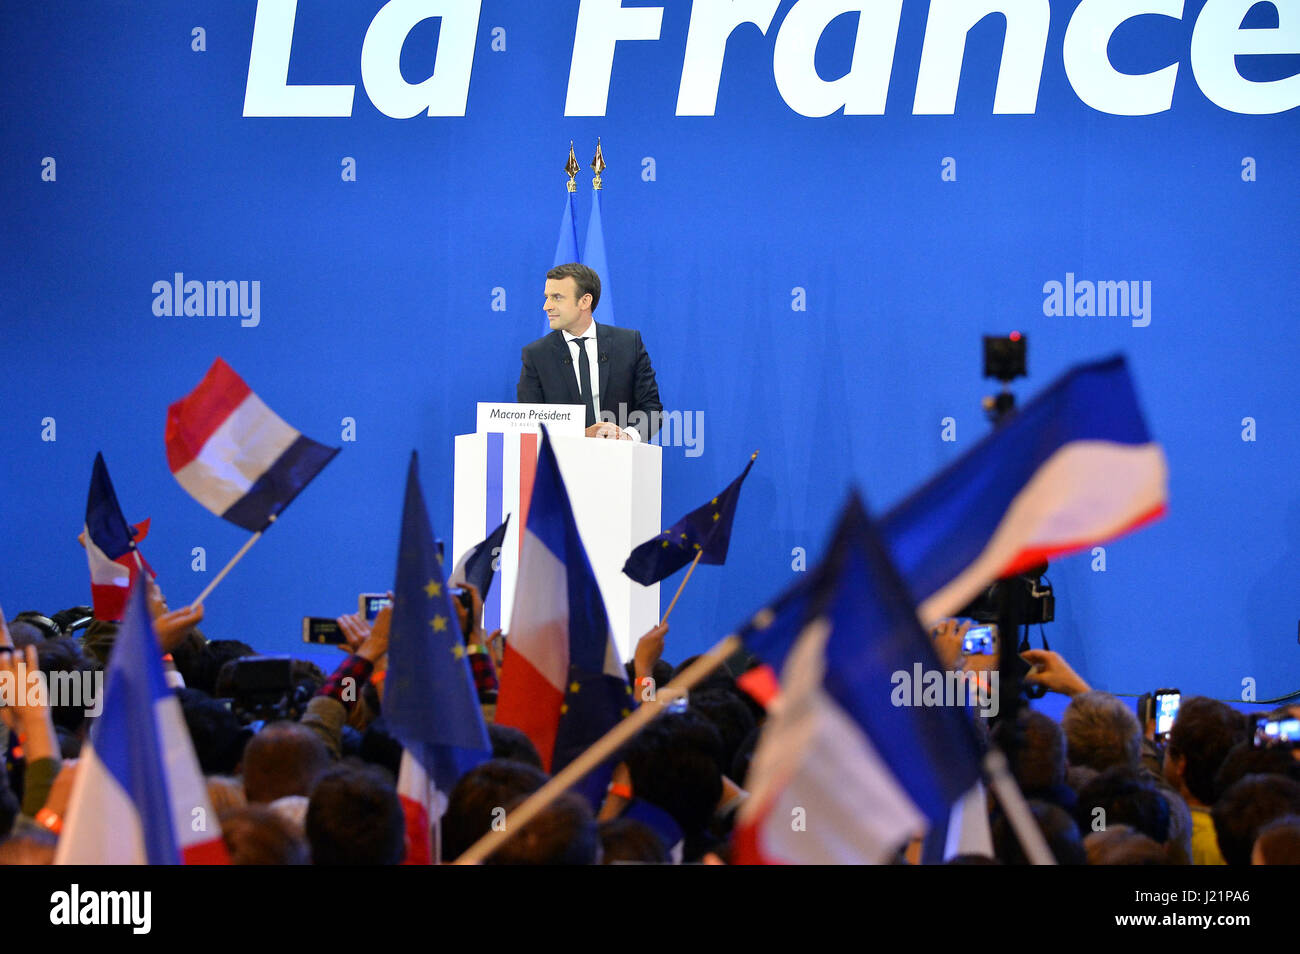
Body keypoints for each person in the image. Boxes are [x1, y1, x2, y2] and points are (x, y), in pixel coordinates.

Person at [517, 263, 663, 442]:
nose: (546, 306)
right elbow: (529, 423)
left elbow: (652, 410)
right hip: (562, 464)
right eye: (547, 297)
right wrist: (583, 435)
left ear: (585, 301)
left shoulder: (628, 344)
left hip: (620, 461)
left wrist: (626, 437)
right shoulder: (536, 355)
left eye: (557, 297)